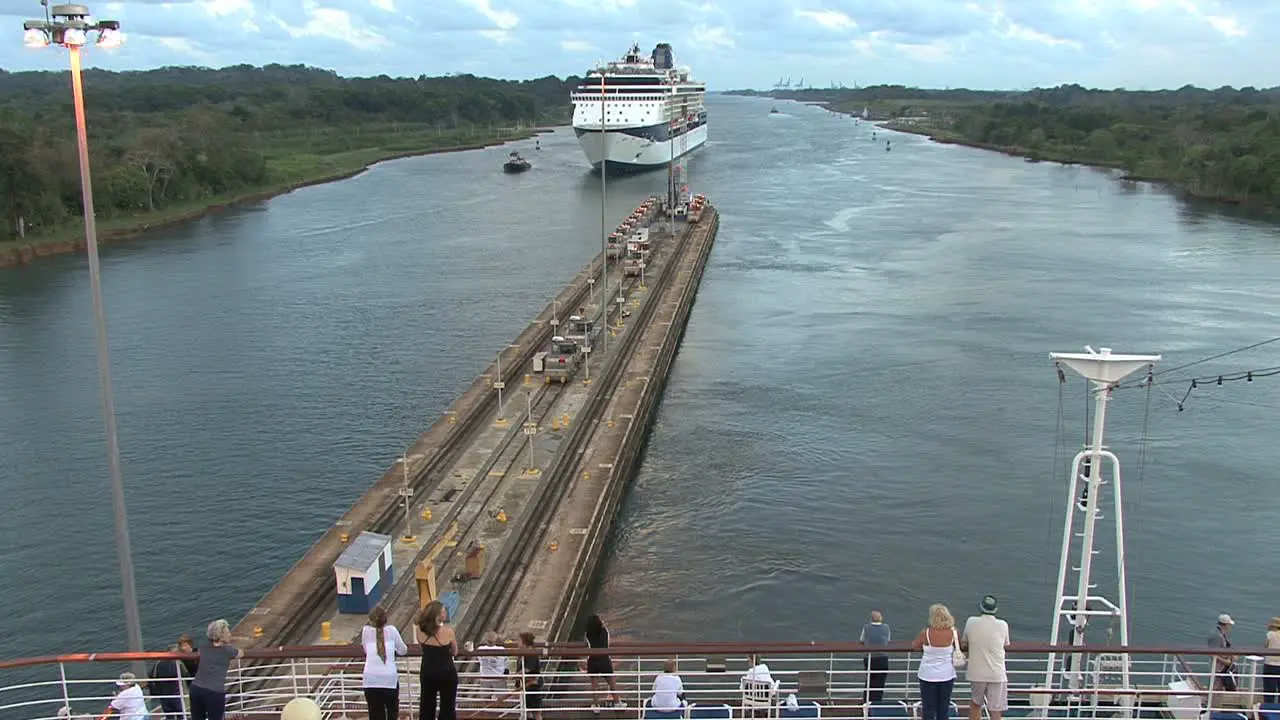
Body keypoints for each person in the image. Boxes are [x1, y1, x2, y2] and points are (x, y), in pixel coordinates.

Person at [962, 595, 1010, 720]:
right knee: (995, 709)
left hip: (976, 672)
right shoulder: (1003, 625)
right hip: (997, 673)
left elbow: (964, 642)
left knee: (976, 704)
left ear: (981, 608)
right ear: (995, 609)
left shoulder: (971, 621)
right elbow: (1006, 644)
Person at [912, 604, 957, 720]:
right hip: (947, 675)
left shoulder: (925, 633)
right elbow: (959, 646)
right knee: (943, 708)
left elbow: (915, 646)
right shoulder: (953, 633)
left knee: (928, 708)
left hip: (927, 675)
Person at [362, 605, 408, 720]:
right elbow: (403, 650)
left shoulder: (365, 631)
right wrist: (392, 650)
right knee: (392, 713)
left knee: (375, 715)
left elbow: (365, 650)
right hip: (389, 680)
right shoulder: (392, 631)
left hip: (370, 679)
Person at [191, 619, 242, 720]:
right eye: (228, 632)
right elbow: (240, 653)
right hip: (214, 692)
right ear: (222, 635)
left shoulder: (203, 646)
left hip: (196, 688)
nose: (230, 634)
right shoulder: (228, 650)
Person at [418, 600, 459, 720]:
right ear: (437, 615)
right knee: (447, 706)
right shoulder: (448, 632)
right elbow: (455, 651)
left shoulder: (420, 631)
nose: (445, 613)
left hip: (427, 671)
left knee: (427, 705)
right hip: (446, 672)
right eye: (443, 611)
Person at [583, 614, 625, 713]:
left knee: (594, 685)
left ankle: (596, 706)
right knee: (611, 683)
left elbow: (587, 645)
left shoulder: (587, 634)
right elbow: (608, 643)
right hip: (604, 659)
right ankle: (617, 703)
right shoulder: (605, 631)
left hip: (592, 660)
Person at [149, 642, 191, 719]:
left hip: (163, 694)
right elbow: (185, 674)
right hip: (176, 692)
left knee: (169, 715)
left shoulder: (158, 663)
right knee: (181, 714)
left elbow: (151, 675)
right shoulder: (177, 662)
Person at [861, 610, 892, 703]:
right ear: (880, 618)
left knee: (870, 679)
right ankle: (877, 701)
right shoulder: (886, 627)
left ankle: (867, 701)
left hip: (870, 658)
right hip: (882, 657)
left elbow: (862, 640)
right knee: (880, 681)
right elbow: (888, 640)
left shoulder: (866, 627)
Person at [1208, 614, 1237, 692]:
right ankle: (1211, 702)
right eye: (1229, 625)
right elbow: (1213, 654)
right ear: (1226, 625)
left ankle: (1214, 701)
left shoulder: (1221, 634)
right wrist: (1227, 662)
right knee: (1215, 687)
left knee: (1220, 686)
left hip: (1222, 667)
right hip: (1218, 667)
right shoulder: (1216, 636)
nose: (1230, 627)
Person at [477, 631, 509, 700]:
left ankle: (486, 710)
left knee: (485, 700)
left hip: (485, 677)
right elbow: (505, 661)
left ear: (486, 639)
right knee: (503, 699)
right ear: (496, 639)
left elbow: (479, 660)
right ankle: (503, 710)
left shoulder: (480, 649)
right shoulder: (502, 650)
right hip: (498, 677)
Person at [518, 632, 543, 720]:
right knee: (527, 710)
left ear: (525, 643)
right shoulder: (524, 652)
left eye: (519, 641)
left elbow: (528, 669)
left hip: (532, 685)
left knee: (536, 711)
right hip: (526, 685)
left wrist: (515, 675)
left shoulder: (532, 653)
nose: (518, 643)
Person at [1264, 617, 1280, 704]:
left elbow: (1265, 646)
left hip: (1270, 665)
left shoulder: (1270, 634)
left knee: (1269, 690)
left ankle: (1269, 707)